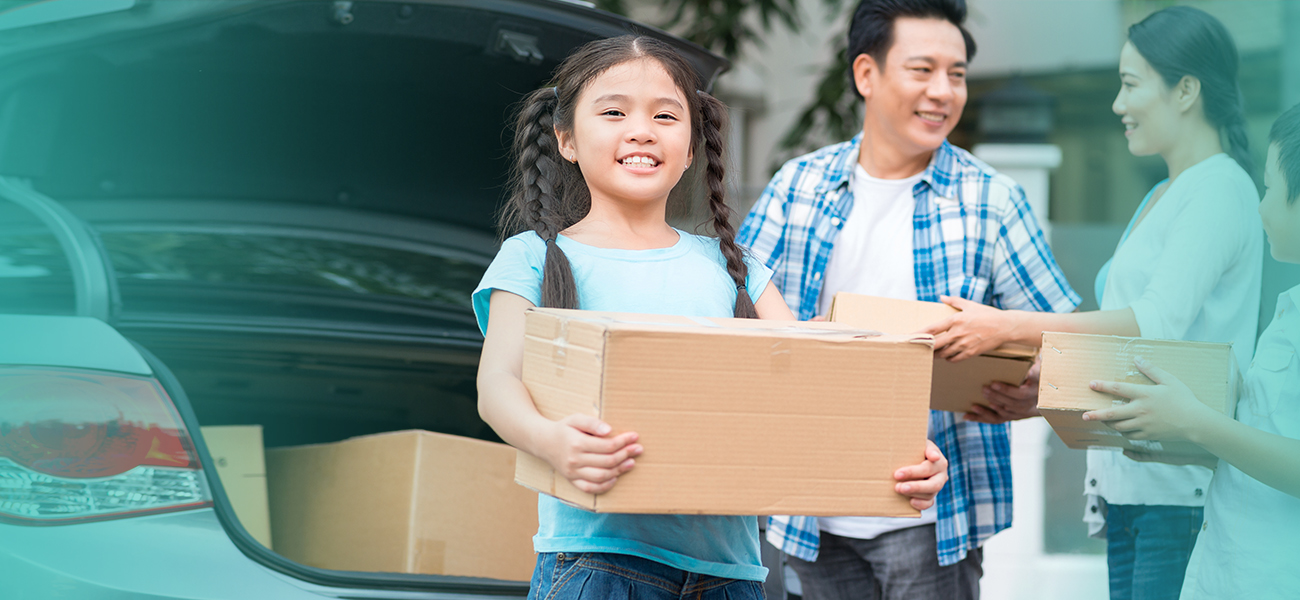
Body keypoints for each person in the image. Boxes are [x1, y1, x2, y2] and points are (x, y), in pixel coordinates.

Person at [473, 35, 949, 600]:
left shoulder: (738, 268)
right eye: (614, 112)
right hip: (598, 566)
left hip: (731, 576)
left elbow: (822, 382)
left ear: (694, 146)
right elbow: (497, 383)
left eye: (666, 115)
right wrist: (550, 442)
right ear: (567, 139)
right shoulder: (534, 255)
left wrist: (900, 450)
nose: (642, 129)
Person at [737, 1, 1080, 598]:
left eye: (957, 74)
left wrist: (1037, 393)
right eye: (922, 70)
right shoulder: (799, 185)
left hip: (932, 514)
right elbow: (731, 311)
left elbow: (1065, 334)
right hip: (806, 505)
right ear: (867, 74)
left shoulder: (990, 200)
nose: (943, 92)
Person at [922, 7, 1263, 599]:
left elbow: (1155, 324)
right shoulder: (1167, 192)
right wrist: (1044, 392)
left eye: (1130, 85)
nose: (1117, 105)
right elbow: (1136, 351)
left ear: (1185, 90)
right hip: (1135, 484)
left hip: (1177, 496)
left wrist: (1008, 328)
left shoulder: (1219, 188)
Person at [1083, 102, 1300, 599]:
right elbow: (1272, 446)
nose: (1261, 206)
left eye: (1269, 188)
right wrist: (1194, 448)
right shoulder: (1289, 311)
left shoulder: (1217, 187)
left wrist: (1194, 423)